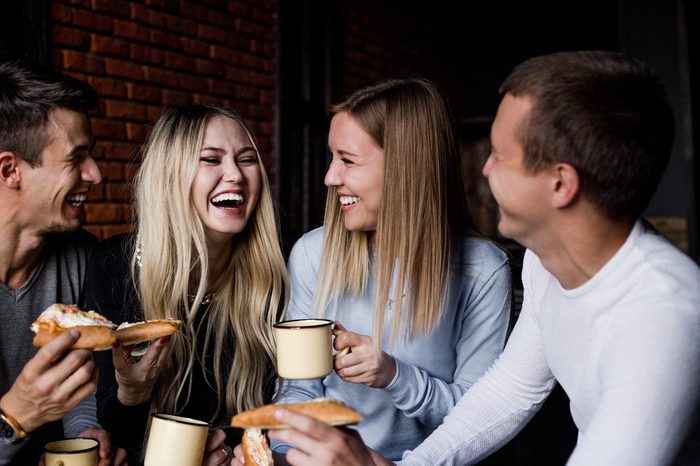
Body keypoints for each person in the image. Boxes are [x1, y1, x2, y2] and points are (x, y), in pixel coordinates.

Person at [239, 51, 700, 466]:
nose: (482, 170)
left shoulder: (664, 315)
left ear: (561, 184)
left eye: (499, 156)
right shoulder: (545, 262)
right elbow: (510, 392)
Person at [271, 78, 512, 461]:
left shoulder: (482, 271)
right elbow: (299, 389)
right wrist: (284, 455)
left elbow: (479, 419)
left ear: (405, 168)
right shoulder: (312, 254)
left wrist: (395, 376)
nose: (330, 178)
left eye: (347, 160)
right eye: (331, 158)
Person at [84, 104, 288, 465]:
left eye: (247, 159)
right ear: (169, 175)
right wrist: (132, 393)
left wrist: (234, 452)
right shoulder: (113, 264)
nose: (235, 175)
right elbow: (117, 432)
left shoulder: (278, 271)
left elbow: (281, 406)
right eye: (211, 159)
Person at [0, 60, 126, 465]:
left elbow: (79, 381)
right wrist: (14, 418)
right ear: (10, 170)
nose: (95, 175)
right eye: (76, 159)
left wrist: (86, 433)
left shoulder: (82, 257)